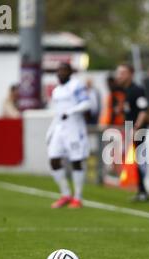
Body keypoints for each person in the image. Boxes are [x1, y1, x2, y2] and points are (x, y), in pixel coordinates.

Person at [46, 63, 91, 209]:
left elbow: (86, 104)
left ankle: (77, 197)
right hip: (60, 128)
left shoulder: (76, 85)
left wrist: (71, 111)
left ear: (70, 72)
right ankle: (65, 194)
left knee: (76, 161)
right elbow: (57, 112)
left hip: (74, 128)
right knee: (53, 159)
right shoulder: (57, 90)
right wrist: (50, 131)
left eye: (63, 70)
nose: (60, 73)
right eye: (58, 70)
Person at [115, 63, 149, 202]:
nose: (119, 76)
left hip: (138, 130)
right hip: (132, 129)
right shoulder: (127, 90)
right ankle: (141, 190)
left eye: (122, 73)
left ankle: (143, 191)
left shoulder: (137, 90)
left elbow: (144, 110)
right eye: (119, 73)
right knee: (134, 161)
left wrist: (136, 128)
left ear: (130, 74)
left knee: (137, 160)